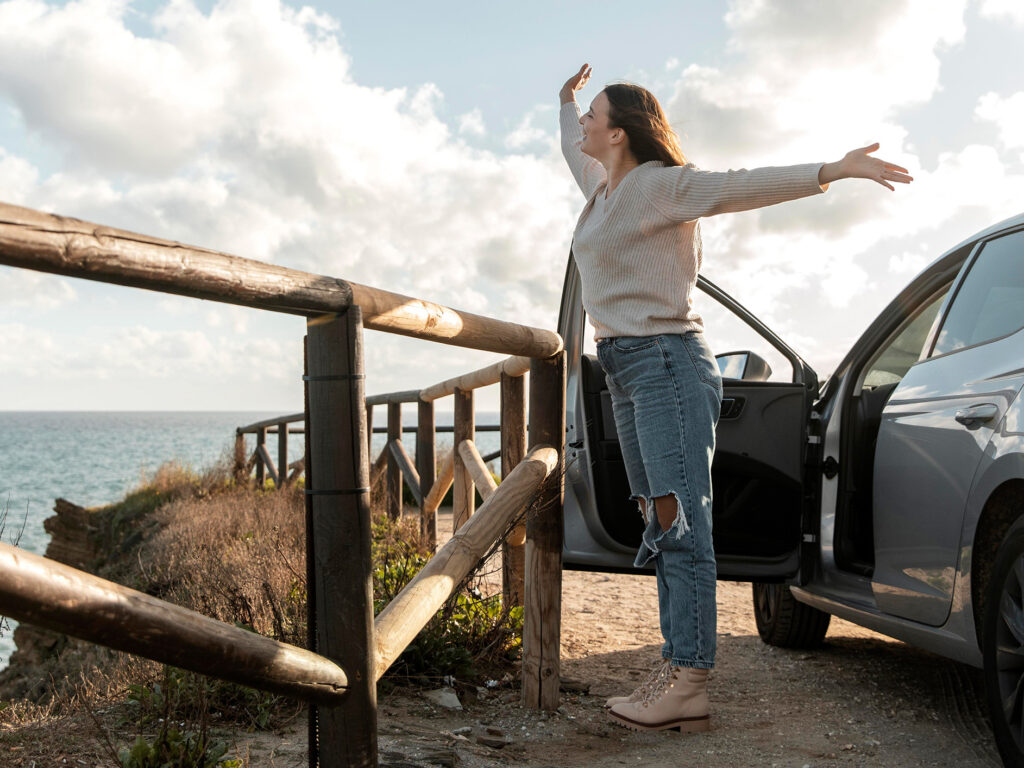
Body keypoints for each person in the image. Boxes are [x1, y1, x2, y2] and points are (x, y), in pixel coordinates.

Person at [558, 62, 912, 733]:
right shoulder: (602, 188)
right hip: (625, 369)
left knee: (679, 522)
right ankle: (676, 663)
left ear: (620, 132)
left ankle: (689, 680)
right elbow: (564, 141)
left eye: (590, 116)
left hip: (666, 364)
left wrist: (830, 171)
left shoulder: (661, 187)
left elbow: (741, 188)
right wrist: (565, 98)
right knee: (656, 520)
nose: (581, 125)